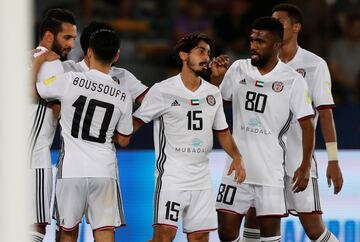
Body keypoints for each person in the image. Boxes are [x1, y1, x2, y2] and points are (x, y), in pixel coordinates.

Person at [241, 4, 344, 242]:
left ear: (296, 27)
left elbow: (325, 114)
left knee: (313, 228)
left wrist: (333, 159)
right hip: (265, 159)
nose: (275, 26)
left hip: (298, 158)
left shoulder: (314, 64)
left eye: (281, 22)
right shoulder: (260, 63)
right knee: (254, 220)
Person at [133, 33, 246, 242]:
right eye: (201, 51)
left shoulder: (213, 93)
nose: (206, 57)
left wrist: (237, 157)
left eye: (208, 53)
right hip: (171, 179)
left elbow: (223, 133)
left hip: (202, 180)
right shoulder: (162, 90)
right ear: (184, 55)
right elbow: (134, 124)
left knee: (201, 238)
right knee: (163, 237)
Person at [214, 17, 315, 242]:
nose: (253, 46)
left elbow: (308, 127)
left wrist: (305, 165)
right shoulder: (238, 68)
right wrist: (215, 81)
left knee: (270, 237)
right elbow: (217, 104)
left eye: (261, 41)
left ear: (277, 45)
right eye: (252, 40)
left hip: (270, 172)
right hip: (235, 169)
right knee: (226, 233)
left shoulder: (293, 80)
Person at [33, 29, 132, 242]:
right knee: (104, 231)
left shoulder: (69, 79)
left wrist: (39, 60)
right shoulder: (123, 95)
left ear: (88, 52)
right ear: (116, 55)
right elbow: (124, 139)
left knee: (67, 231)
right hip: (104, 171)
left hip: (71, 170)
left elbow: (38, 90)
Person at [29, 8, 77, 242]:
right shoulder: (52, 62)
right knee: (35, 226)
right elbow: (41, 93)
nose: (70, 44)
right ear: (49, 36)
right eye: (66, 37)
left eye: (74, 39)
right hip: (33, 160)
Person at [62, 21, 149, 105]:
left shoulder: (123, 76)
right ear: (90, 51)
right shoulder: (65, 69)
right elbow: (47, 84)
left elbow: (152, 101)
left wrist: (138, 119)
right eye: (104, 42)